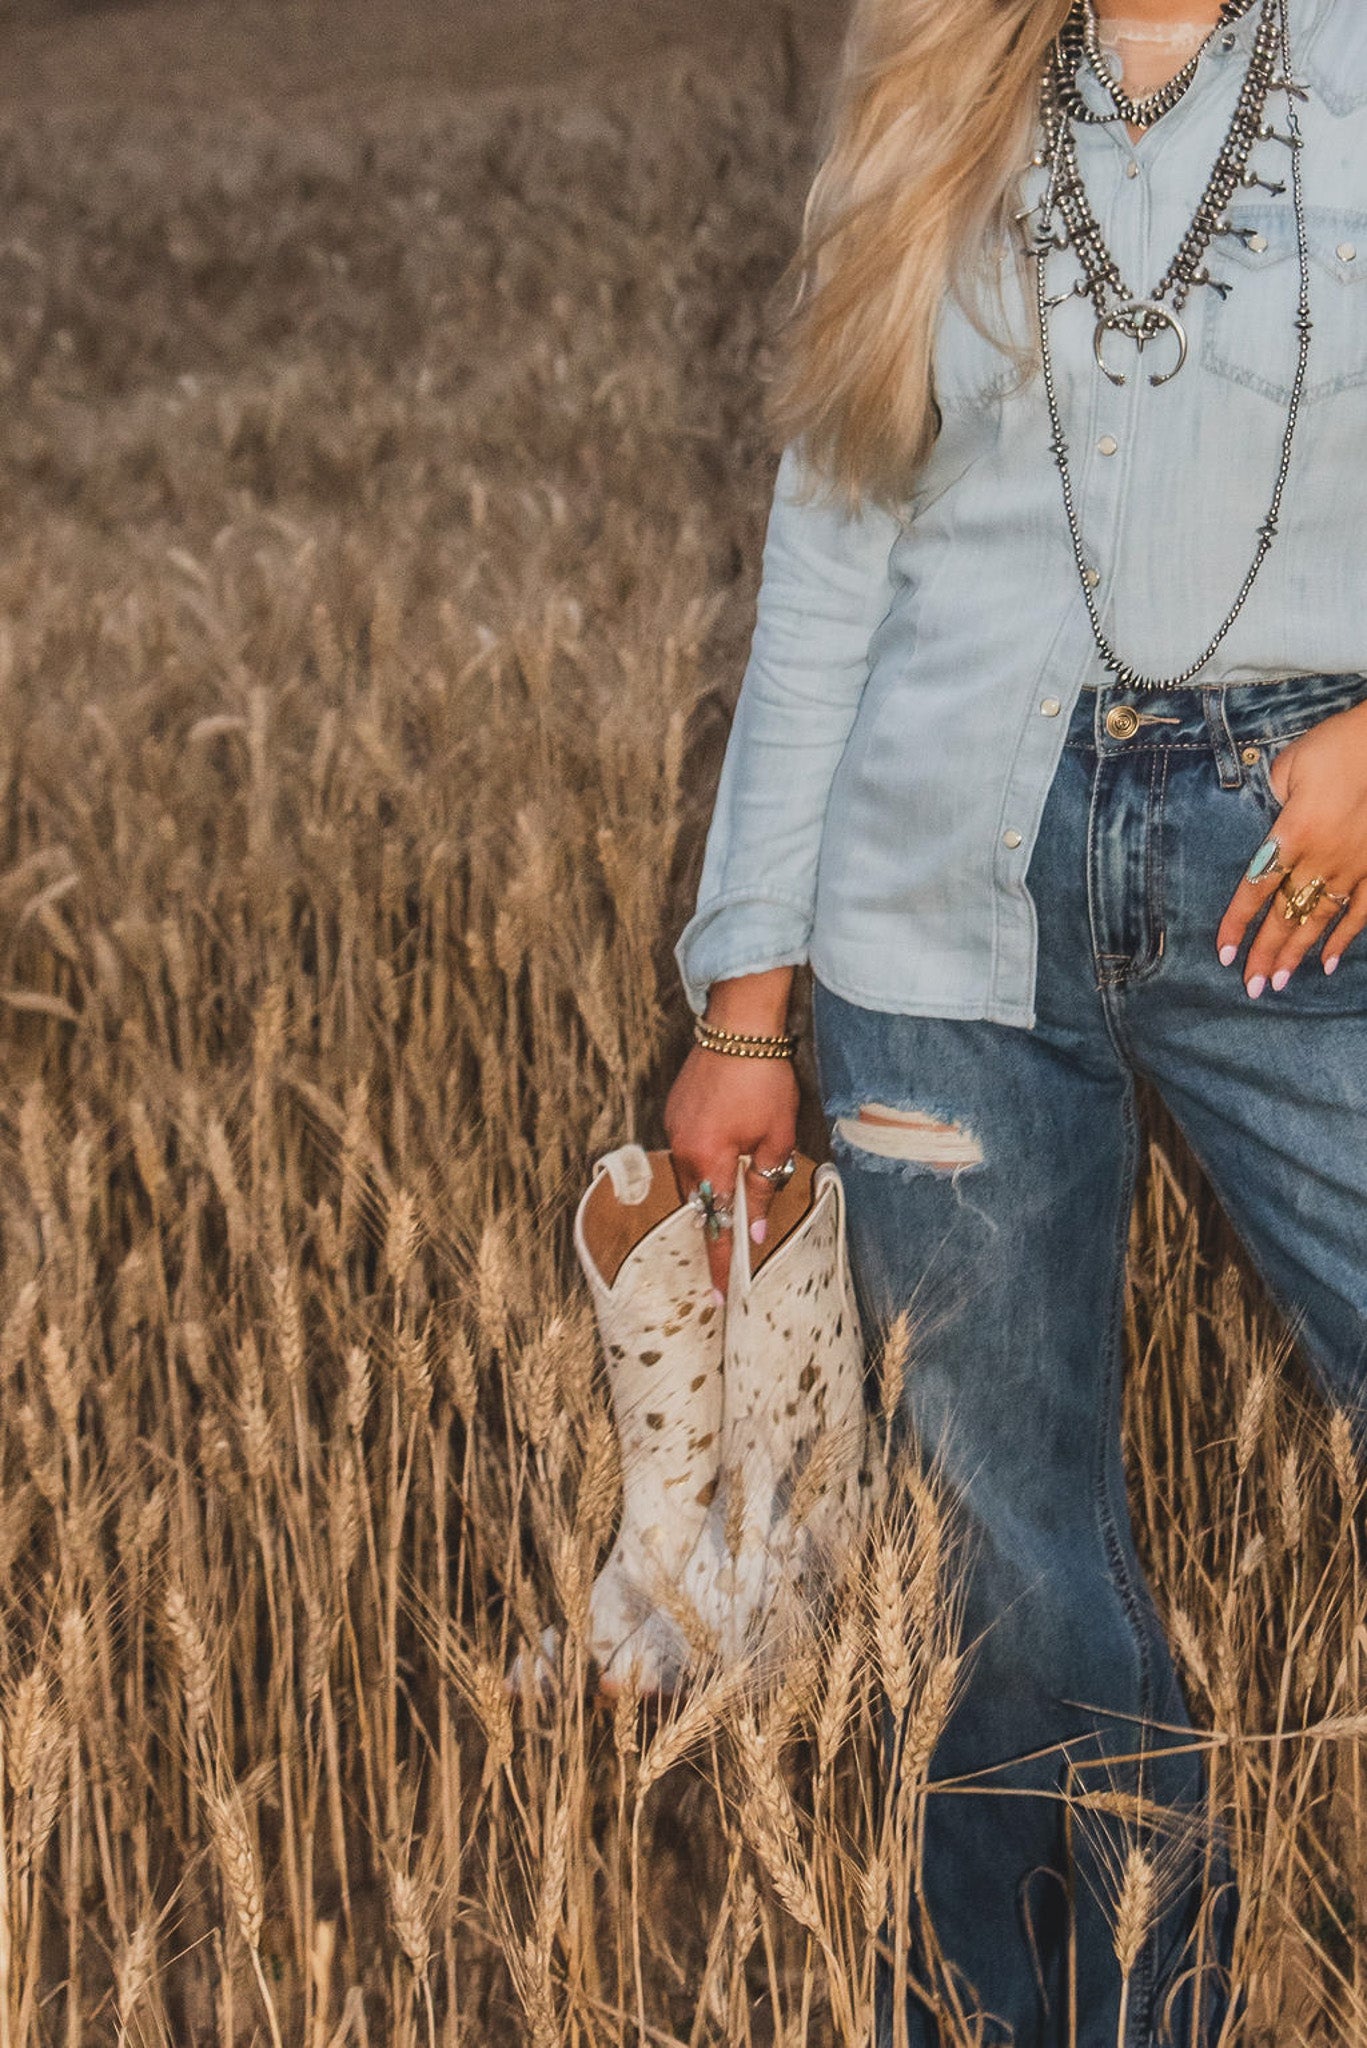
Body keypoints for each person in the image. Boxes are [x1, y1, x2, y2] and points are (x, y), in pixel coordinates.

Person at [663, 0, 1367, 2040]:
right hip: (936, 903)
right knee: (1007, 1551)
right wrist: (746, 999)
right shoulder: (927, 105)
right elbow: (832, 556)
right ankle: (1067, 2011)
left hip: (1295, 881)